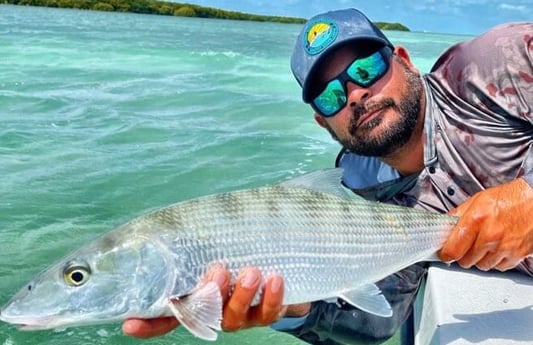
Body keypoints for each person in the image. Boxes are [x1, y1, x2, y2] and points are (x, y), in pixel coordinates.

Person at [122, 8, 533, 345]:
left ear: (404, 61)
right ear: (323, 122)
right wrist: (293, 307)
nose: (355, 94)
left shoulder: (493, 66)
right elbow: (379, 319)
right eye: (332, 94)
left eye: (368, 68)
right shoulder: (364, 193)